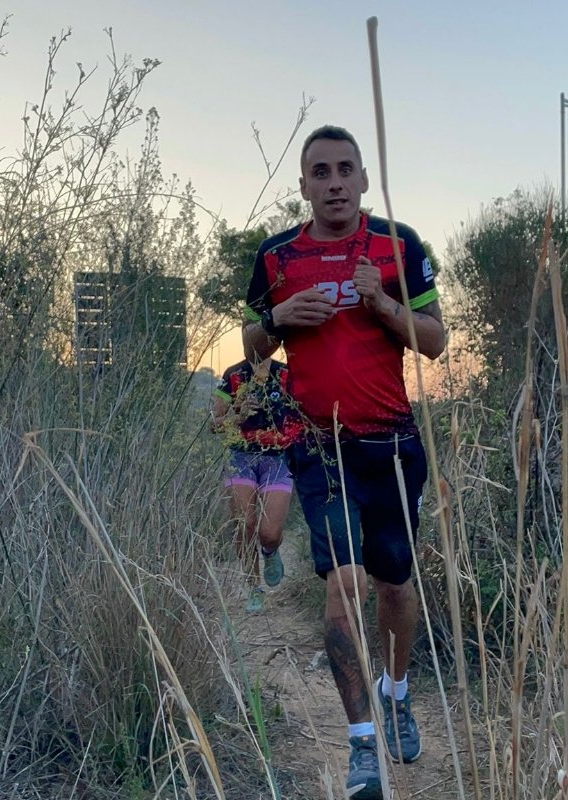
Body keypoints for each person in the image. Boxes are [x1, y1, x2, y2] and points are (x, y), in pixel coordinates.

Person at [242, 125, 446, 798]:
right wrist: (279, 319)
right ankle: (362, 744)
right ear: (303, 185)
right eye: (321, 172)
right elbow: (252, 345)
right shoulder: (277, 255)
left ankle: (396, 692)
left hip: (391, 443)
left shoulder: (398, 245)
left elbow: (435, 341)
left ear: (362, 179)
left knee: (394, 586)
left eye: (344, 170)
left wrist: (381, 302)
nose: (334, 183)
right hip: (318, 445)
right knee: (345, 582)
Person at [211, 357, 303, 613]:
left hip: (278, 458)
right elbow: (213, 423)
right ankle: (254, 588)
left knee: (269, 533)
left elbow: (304, 415)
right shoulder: (233, 374)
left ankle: (270, 551)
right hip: (240, 457)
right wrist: (237, 416)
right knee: (245, 524)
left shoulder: (286, 374)